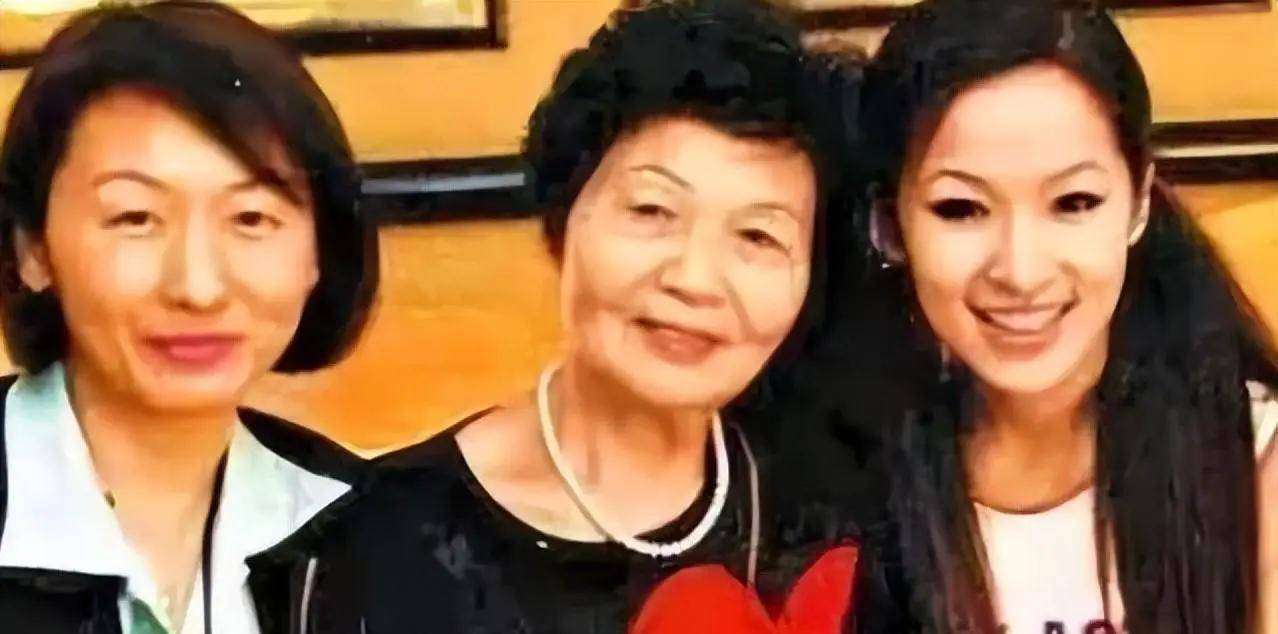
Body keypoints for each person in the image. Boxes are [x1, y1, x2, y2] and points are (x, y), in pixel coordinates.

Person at [248, 1, 863, 631]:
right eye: (651, 211)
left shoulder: (843, 515)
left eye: (759, 237)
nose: (694, 279)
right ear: (561, 222)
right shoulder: (374, 550)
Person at [832, 0, 1278, 631]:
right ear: (889, 226)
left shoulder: (1255, 463)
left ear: (1139, 204)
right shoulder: (829, 479)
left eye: (1074, 202)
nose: (1021, 271)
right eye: (961, 208)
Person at [0, 3, 378, 632]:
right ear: (32, 250)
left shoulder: (373, 530)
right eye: (135, 218)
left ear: (319, 252)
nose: (198, 288)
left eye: (251, 219)